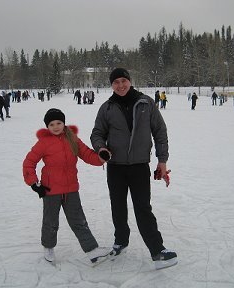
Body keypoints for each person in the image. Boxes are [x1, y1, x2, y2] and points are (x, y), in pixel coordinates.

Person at [90, 68, 177, 270]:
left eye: (123, 81)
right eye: (116, 82)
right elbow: (97, 133)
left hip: (139, 166)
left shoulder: (146, 103)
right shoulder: (107, 108)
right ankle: (121, 241)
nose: (120, 85)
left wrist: (162, 160)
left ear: (129, 81)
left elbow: (160, 132)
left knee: (143, 208)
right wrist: (101, 148)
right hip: (115, 167)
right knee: (117, 207)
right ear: (111, 85)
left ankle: (157, 250)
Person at [23, 108, 111, 265]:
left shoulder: (73, 139)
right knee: (50, 221)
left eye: (59, 123)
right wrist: (34, 183)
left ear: (64, 123)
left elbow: (87, 154)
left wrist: (101, 158)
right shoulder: (43, 143)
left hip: (71, 189)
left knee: (79, 220)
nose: (56, 126)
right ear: (47, 126)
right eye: (52, 124)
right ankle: (48, 247)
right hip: (50, 190)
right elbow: (29, 163)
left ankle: (92, 250)